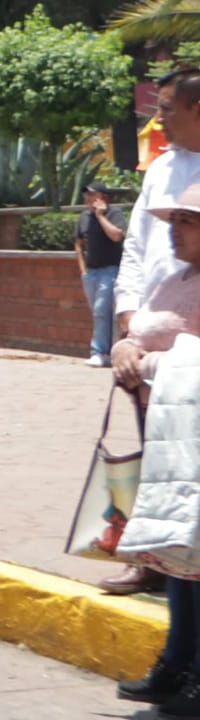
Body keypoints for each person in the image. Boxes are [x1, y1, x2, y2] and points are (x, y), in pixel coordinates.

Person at [104, 68, 200, 595]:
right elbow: (136, 250)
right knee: (153, 452)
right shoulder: (160, 170)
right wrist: (127, 324)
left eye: (166, 107)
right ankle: (151, 562)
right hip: (151, 336)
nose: (157, 116)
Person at [110, 180, 200, 720]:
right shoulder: (174, 280)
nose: (174, 230)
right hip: (169, 439)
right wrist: (125, 348)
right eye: (173, 220)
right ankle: (175, 663)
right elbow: (137, 333)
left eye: (187, 221)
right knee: (177, 555)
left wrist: (147, 366)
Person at [76, 180, 125, 368]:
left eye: (91, 194)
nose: (87, 198)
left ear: (103, 197)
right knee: (99, 313)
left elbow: (116, 235)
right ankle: (107, 352)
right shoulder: (83, 217)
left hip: (109, 270)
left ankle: (99, 351)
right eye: (86, 195)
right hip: (91, 273)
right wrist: (83, 270)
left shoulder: (115, 213)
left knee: (101, 311)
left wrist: (100, 216)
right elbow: (78, 243)